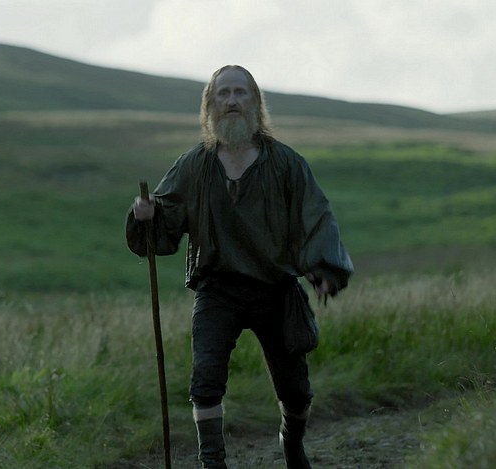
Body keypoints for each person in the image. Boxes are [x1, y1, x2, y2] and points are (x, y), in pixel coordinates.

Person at [126, 65, 353, 469]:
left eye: (240, 92)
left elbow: (316, 216)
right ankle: (211, 462)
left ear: (255, 102)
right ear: (210, 105)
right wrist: (147, 214)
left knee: (296, 390)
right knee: (206, 379)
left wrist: (323, 269)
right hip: (217, 288)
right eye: (223, 93)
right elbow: (165, 214)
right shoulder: (193, 164)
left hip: (274, 288)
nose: (232, 101)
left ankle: (291, 441)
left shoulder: (286, 163)